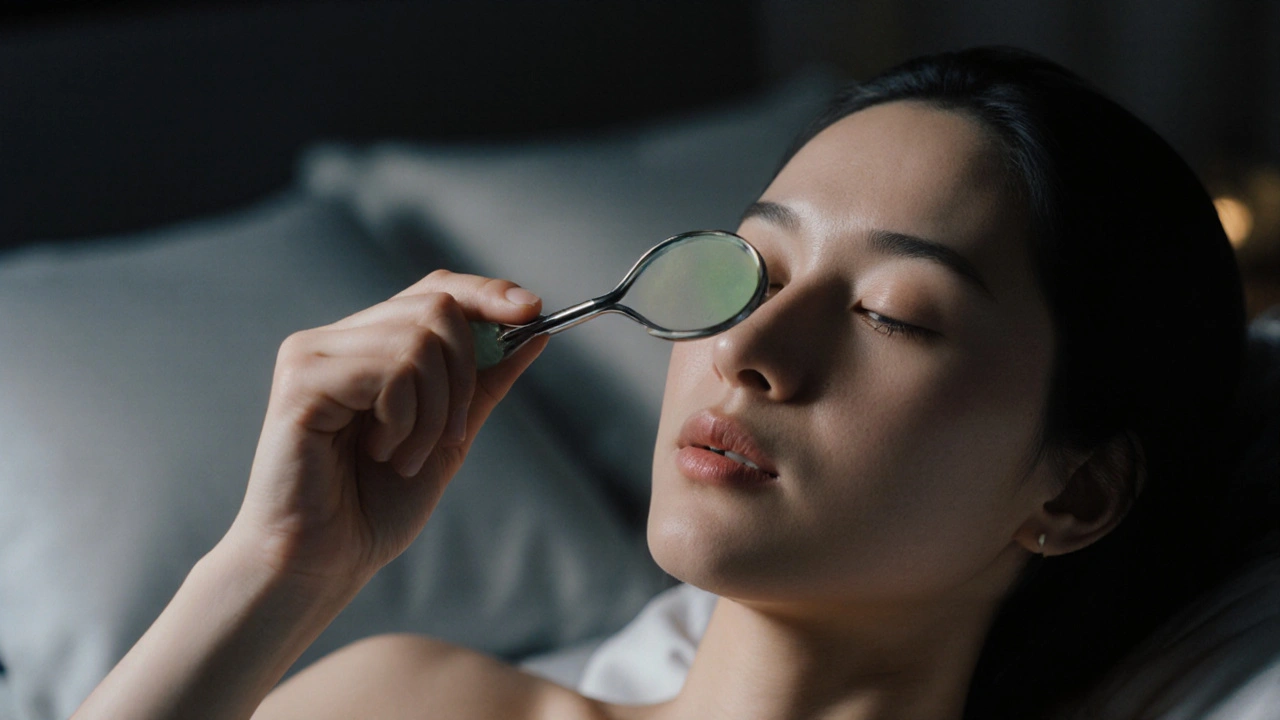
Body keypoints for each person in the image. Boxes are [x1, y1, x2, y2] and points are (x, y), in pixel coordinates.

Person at [70, 46, 1247, 720]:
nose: (747, 349)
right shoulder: (414, 703)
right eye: (748, 267)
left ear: (1075, 494)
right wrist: (273, 571)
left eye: (890, 313)